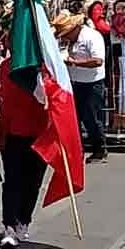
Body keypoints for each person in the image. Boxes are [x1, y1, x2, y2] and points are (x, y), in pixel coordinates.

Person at [0, 59, 49, 249]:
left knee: (33, 182)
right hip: (13, 130)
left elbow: (49, 96)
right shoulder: (7, 65)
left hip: (40, 133)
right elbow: (7, 89)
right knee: (13, 180)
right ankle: (9, 226)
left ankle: (23, 220)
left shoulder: (48, 66)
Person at [53, 11, 107, 161]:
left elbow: (98, 61)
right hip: (72, 82)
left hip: (91, 83)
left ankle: (99, 148)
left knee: (92, 118)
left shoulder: (92, 37)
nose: (65, 37)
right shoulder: (68, 42)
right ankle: (77, 149)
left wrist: (75, 63)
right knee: (74, 118)